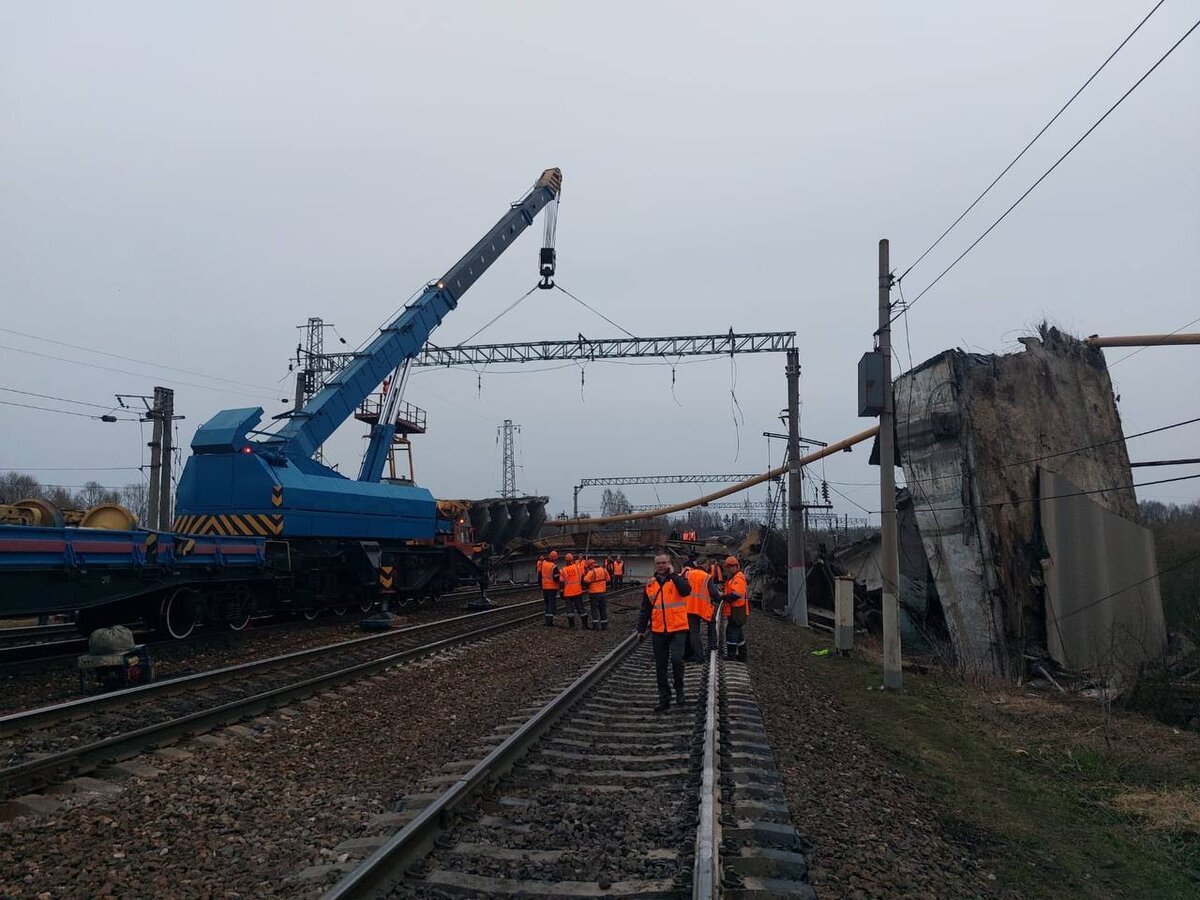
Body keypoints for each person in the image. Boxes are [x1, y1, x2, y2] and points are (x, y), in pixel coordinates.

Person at [637, 553, 692, 712]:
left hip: (678, 628)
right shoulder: (650, 585)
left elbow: (686, 591)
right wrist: (641, 629)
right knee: (660, 666)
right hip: (658, 630)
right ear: (656, 566)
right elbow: (645, 609)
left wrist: (673, 574)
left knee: (676, 660)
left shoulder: (678, 579)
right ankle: (664, 699)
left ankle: (679, 690)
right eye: (659, 563)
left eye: (664, 563)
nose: (661, 566)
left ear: (669, 563)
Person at [681, 558, 717, 662]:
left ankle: (699, 656)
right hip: (703, 607)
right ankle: (713, 646)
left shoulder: (688, 574)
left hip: (690, 607)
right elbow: (713, 593)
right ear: (705, 564)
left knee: (694, 632)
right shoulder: (707, 577)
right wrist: (721, 597)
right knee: (712, 623)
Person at [721, 555, 749, 661]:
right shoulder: (734, 578)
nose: (727, 570)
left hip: (737, 611)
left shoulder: (738, 578)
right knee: (738, 633)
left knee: (731, 631)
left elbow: (736, 594)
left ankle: (731, 655)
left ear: (734, 567)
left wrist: (724, 597)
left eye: (728, 568)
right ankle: (743, 655)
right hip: (736, 610)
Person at [583, 558, 611, 630]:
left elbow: (585, 580)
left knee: (594, 610)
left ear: (590, 565)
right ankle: (604, 626)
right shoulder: (604, 570)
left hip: (594, 594)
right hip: (602, 593)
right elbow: (608, 579)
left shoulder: (591, 572)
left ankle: (596, 626)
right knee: (603, 609)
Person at [560, 553, 585, 630]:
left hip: (568, 593)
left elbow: (561, 583)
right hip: (577, 592)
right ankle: (585, 625)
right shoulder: (577, 568)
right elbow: (583, 575)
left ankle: (572, 626)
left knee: (569, 610)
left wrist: (561, 592)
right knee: (581, 609)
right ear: (572, 560)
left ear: (565, 561)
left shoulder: (562, 570)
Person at [538, 550, 561, 627]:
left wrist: (541, 586)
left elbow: (540, 576)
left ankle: (547, 619)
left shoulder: (543, 564)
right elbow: (556, 578)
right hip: (552, 588)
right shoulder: (554, 567)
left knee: (547, 604)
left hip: (545, 587)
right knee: (551, 604)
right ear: (554, 558)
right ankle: (549, 622)